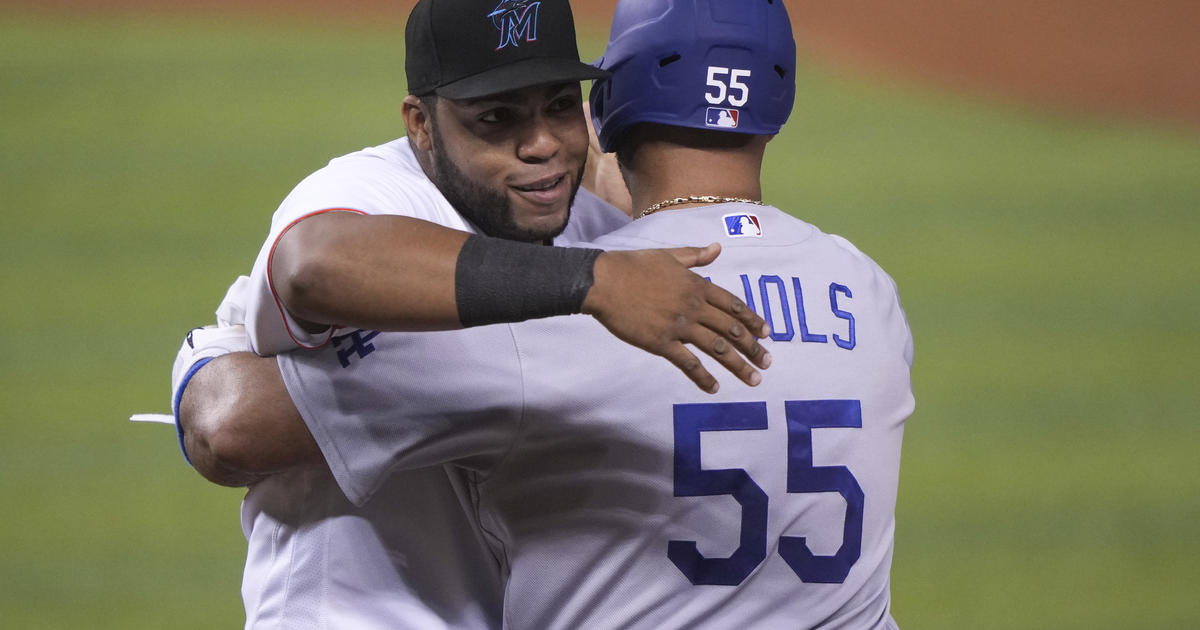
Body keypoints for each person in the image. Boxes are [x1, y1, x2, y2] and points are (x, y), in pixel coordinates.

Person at [181, 0, 915, 627]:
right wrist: (594, 271)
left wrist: (207, 352)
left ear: (600, 110)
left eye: (560, 105)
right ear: (421, 123)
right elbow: (309, 273)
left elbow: (227, 426)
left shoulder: (576, 277)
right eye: (496, 118)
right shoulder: (869, 294)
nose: (539, 146)